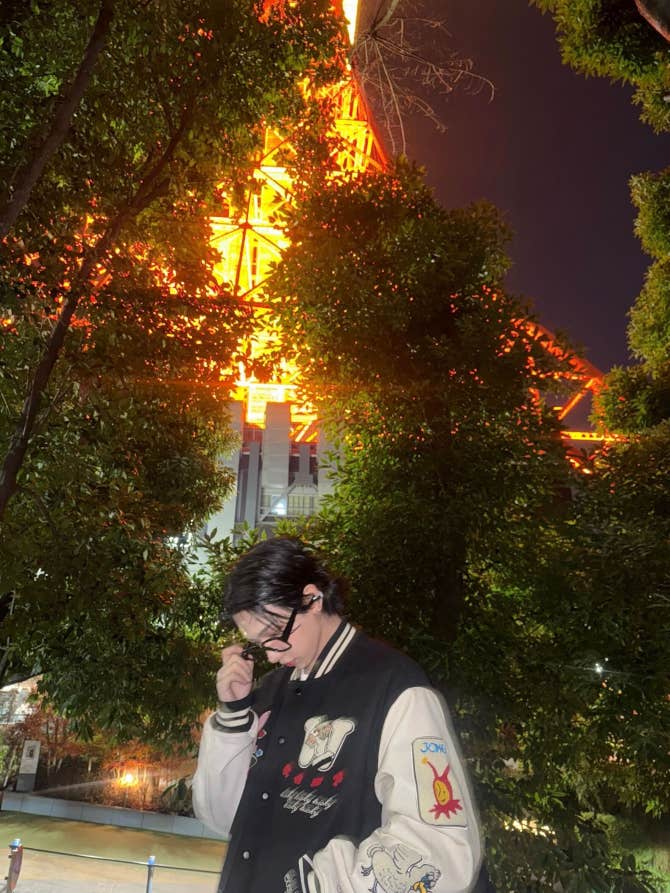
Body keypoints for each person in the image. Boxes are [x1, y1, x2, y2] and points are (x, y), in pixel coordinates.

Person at [193, 536, 483, 893]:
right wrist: (234, 715)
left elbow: (440, 848)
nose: (270, 655)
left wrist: (321, 884)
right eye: (258, 642)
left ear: (312, 599)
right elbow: (225, 818)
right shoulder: (269, 691)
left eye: (275, 633)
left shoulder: (395, 688)